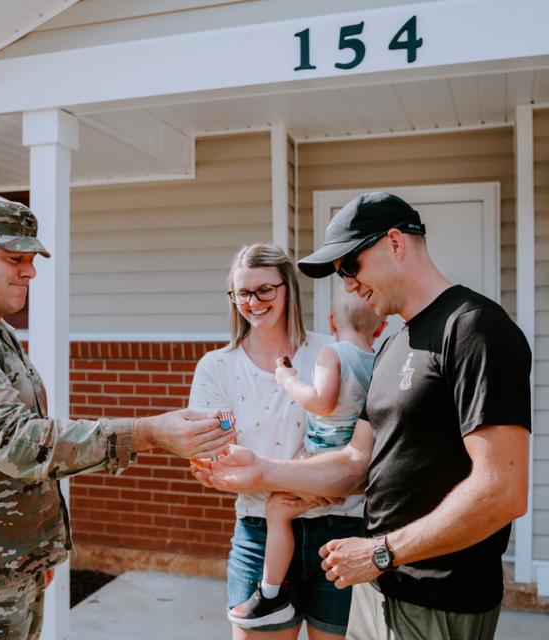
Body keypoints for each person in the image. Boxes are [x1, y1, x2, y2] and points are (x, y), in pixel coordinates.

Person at [192, 192, 531, 640]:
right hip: (376, 588)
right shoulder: (390, 346)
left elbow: (502, 492)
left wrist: (381, 552)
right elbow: (356, 463)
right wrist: (265, 470)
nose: (347, 284)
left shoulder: (473, 329)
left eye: (350, 266)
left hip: (440, 599)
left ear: (395, 242)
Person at [0, 191, 234, 640]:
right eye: (14, 257)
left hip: (0, 570)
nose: (30, 270)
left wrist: (32, 553)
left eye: (31, 258)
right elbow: (16, 442)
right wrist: (147, 433)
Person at [190, 243, 362, 640]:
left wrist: (286, 481)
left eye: (265, 290)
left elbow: (358, 443)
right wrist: (309, 483)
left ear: (288, 289)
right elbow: (212, 462)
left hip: (338, 533)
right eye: (242, 293)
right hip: (258, 534)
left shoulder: (331, 354)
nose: (253, 302)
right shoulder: (217, 368)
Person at [227, 286, 385, 629]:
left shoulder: (333, 354)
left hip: (321, 459)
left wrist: (288, 379)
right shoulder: (379, 361)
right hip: (353, 471)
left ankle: (270, 594)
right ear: (381, 327)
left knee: (276, 510)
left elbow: (321, 402)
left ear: (331, 321)